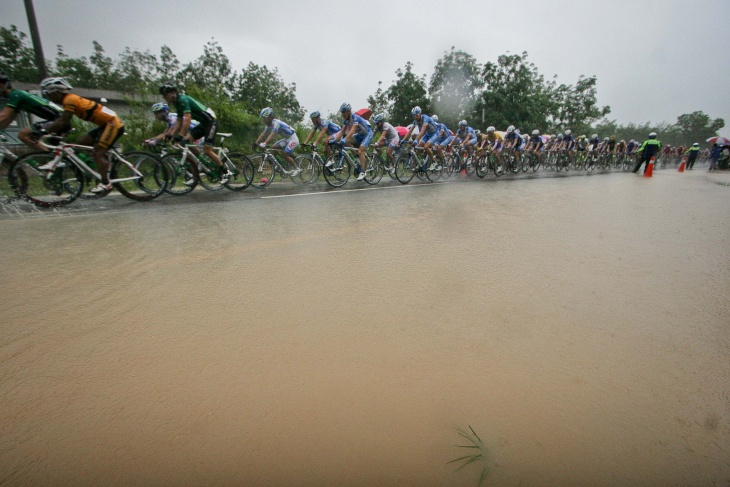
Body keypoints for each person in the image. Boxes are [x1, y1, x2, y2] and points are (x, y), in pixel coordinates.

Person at [39, 77, 125, 193]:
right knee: (80, 143)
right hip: (105, 125)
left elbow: (63, 121)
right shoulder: (68, 100)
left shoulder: (69, 100)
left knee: (98, 152)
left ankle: (106, 182)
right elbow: (62, 121)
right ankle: (98, 166)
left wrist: (44, 131)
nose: (48, 97)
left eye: (48, 94)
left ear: (57, 92)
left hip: (112, 124)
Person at [159, 81, 232, 184]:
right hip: (203, 124)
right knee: (187, 141)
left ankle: (226, 172)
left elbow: (187, 120)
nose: (164, 98)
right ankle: (200, 166)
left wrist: (180, 135)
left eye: (165, 95)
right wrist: (170, 135)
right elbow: (179, 122)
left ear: (172, 93)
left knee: (207, 150)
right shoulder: (177, 104)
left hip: (211, 122)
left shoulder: (183, 100)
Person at [0, 73, 65, 151]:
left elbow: (3, 116)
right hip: (59, 118)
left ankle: (51, 159)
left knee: (23, 135)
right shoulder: (17, 95)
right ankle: (52, 158)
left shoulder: (15, 95)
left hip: (58, 119)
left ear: (2, 86)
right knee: (34, 138)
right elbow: (8, 119)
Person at [330, 103, 373, 181]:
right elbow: (341, 132)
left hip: (368, 134)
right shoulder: (346, 121)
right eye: (342, 112)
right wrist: (334, 140)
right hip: (360, 135)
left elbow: (352, 130)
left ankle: (363, 172)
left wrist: (345, 139)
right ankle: (358, 159)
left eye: (344, 112)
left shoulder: (355, 118)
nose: (342, 114)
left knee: (360, 151)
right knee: (347, 143)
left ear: (349, 112)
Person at [254, 107, 302, 177]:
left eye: (264, 118)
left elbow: (272, 134)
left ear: (270, 117)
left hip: (293, 139)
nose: (263, 120)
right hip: (286, 139)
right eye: (262, 118)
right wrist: (256, 143)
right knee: (274, 147)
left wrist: (265, 143)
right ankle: (280, 164)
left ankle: (297, 169)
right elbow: (263, 134)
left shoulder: (276, 123)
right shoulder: (268, 125)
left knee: (285, 154)